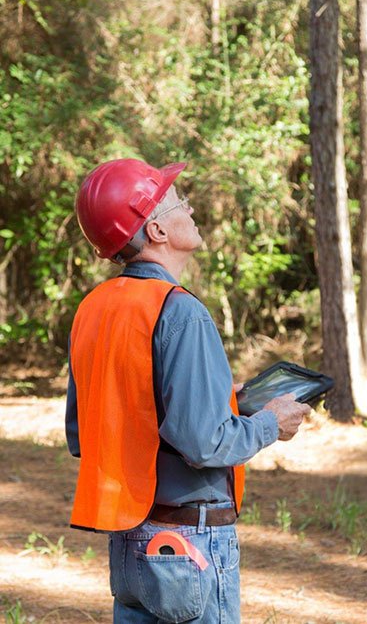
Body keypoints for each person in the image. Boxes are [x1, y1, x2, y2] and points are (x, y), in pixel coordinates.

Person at [65, 158, 310, 623]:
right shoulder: (180, 312)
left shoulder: (94, 309)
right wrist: (269, 422)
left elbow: (88, 429)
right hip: (187, 544)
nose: (191, 208)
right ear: (156, 230)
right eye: (178, 201)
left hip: (130, 541)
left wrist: (217, 394)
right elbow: (205, 443)